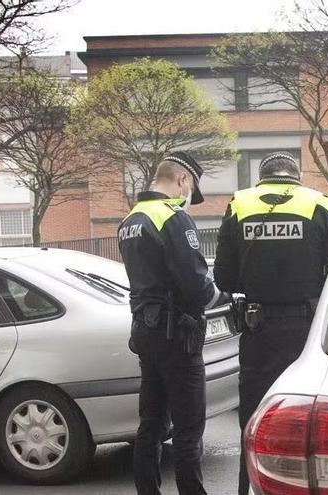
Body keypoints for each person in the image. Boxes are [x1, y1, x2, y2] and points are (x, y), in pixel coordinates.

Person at [213, 151, 328, 495]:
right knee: (307, 420)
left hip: (257, 330)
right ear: (296, 177)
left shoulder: (240, 204)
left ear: (262, 178)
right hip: (307, 332)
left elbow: (223, 277)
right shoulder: (320, 203)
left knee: (253, 421)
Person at [118, 151, 227, 495]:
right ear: (182, 180)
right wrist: (225, 299)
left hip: (146, 332)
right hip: (177, 335)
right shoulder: (172, 217)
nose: (188, 199)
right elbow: (196, 285)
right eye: (189, 190)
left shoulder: (131, 219)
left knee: (150, 424)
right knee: (188, 428)